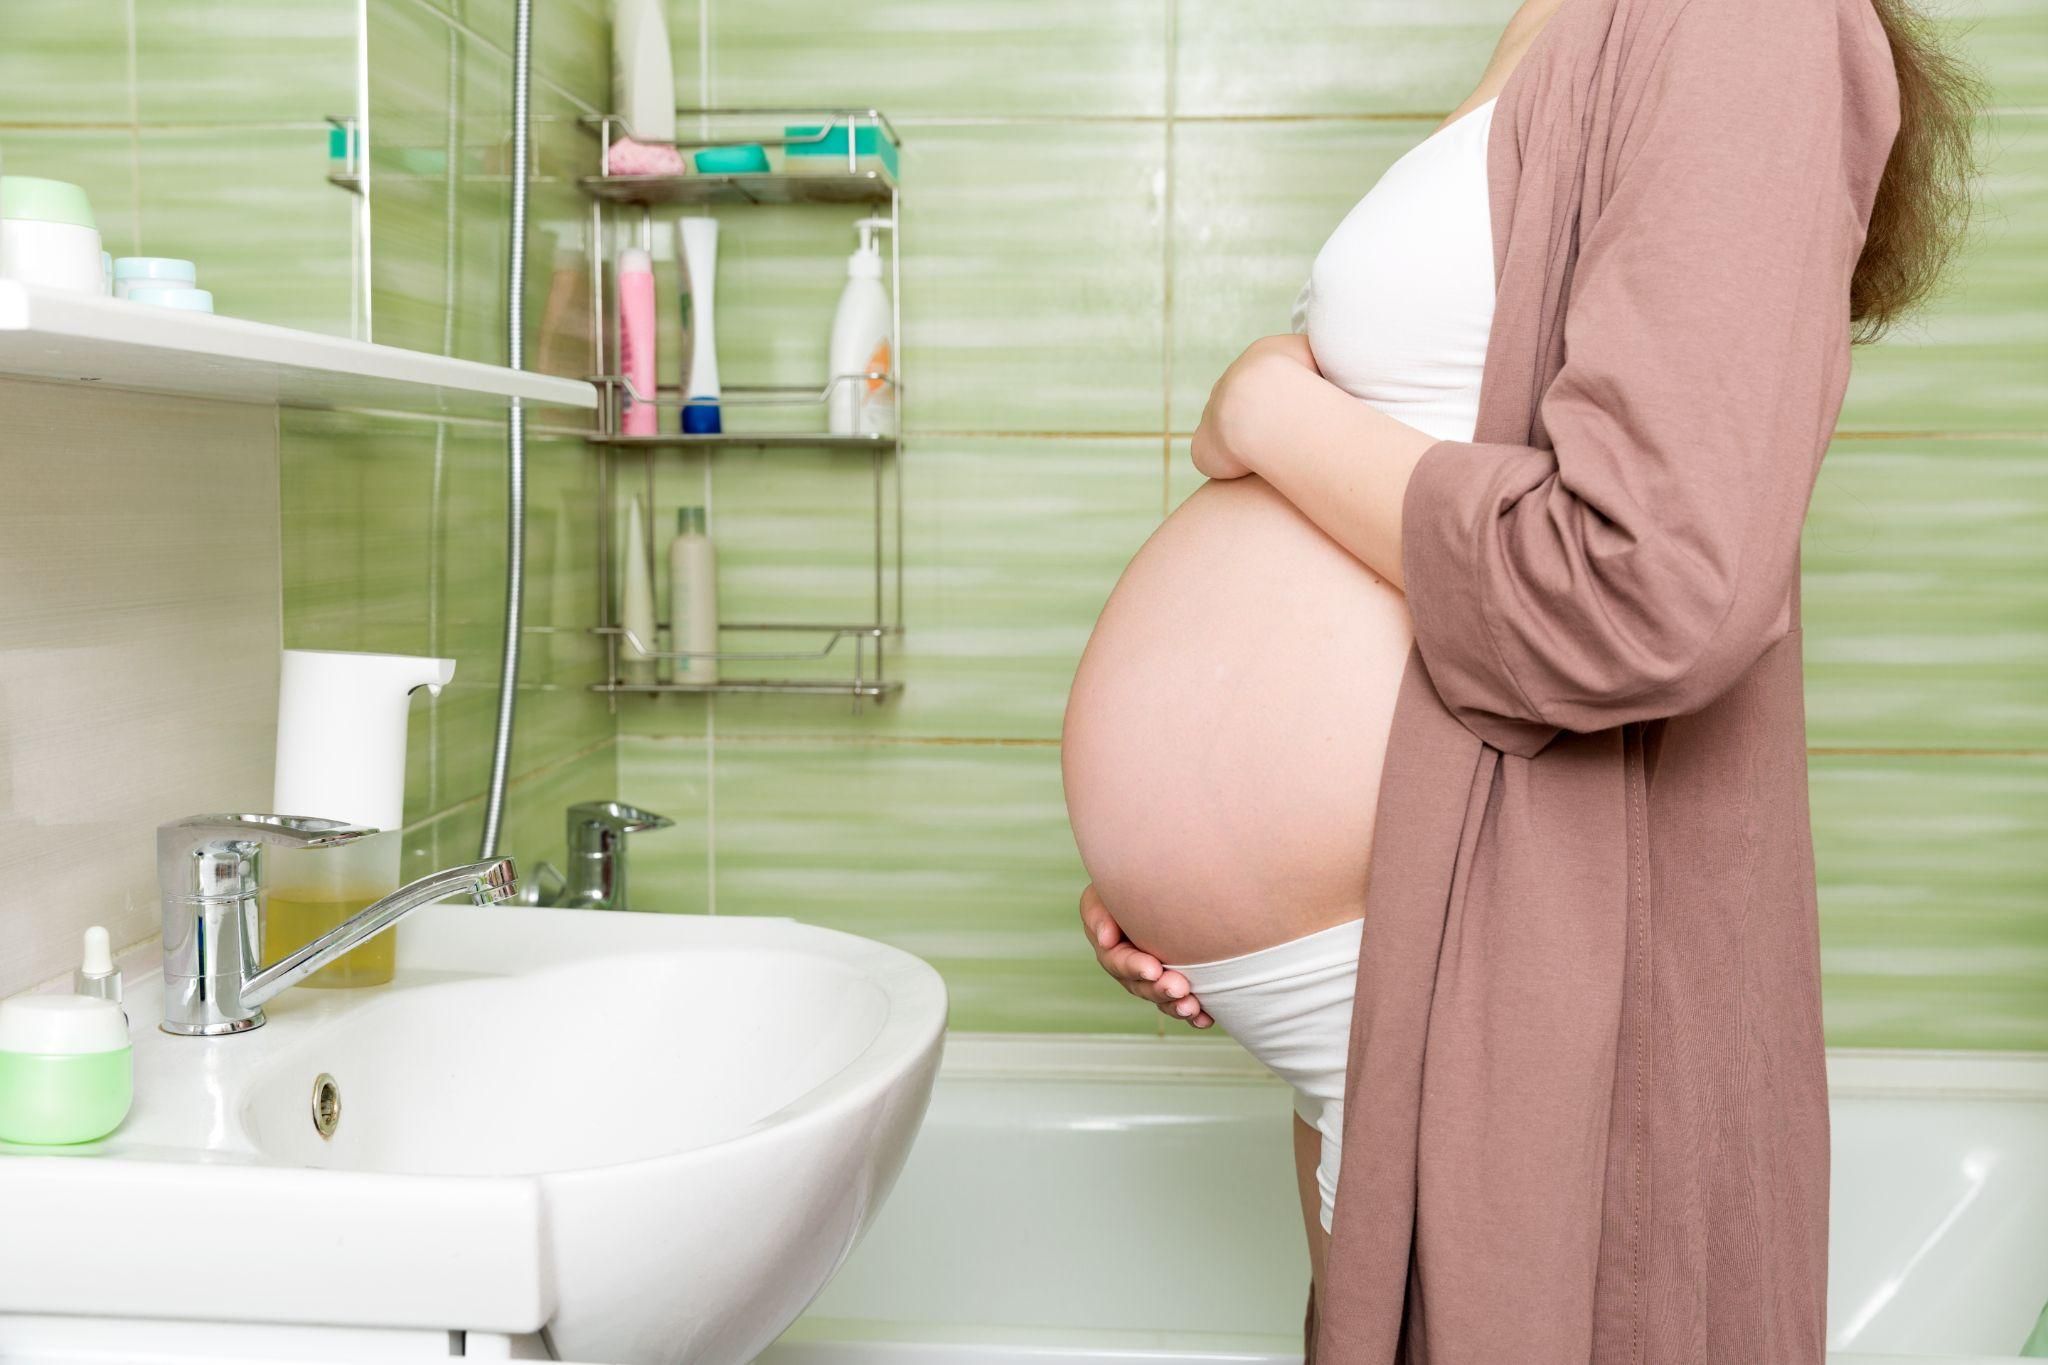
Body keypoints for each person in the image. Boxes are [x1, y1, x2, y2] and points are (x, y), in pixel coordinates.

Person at [1062, 0, 1981, 1358]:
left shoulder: (1746, 20)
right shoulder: (1558, 23)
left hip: (1521, 964)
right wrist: (1185, 870)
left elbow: (1653, 582)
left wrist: (1271, 413)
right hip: (1398, 979)